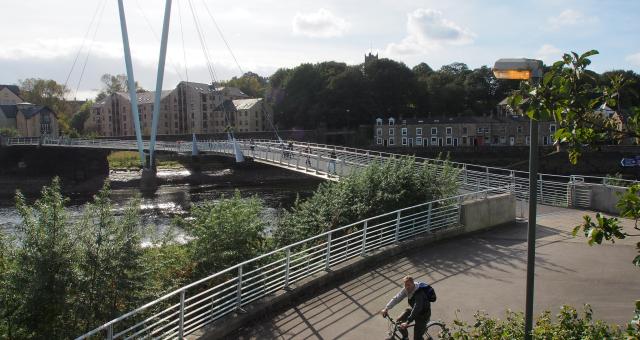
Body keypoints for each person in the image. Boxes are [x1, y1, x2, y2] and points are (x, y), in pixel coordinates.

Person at [380, 276, 434, 340]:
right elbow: (397, 298)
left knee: (417, 337)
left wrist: (407, 322)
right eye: (405, 285)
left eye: (408, 285)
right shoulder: (407, 289)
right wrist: (386, 308)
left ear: (413, 283)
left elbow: (417, 308)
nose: (407, 287)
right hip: (413, 308)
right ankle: (405, 337)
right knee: (399, 322)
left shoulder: (419, 293)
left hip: (423, 314)